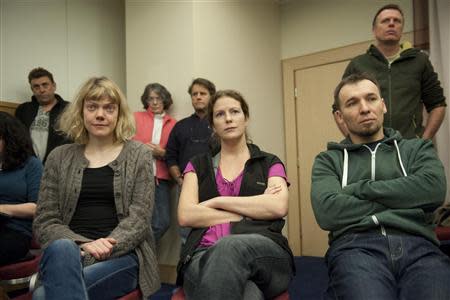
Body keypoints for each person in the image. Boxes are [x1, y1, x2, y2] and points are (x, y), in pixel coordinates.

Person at [312, 73, 450, 300]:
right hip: (356, 248)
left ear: (383, 105)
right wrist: (404, 199)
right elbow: (328, 212)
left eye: (371, 98)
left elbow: (433, 189)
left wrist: (359, 189)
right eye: (352, 103)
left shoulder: (416, 149)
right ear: (340, 116)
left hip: (420, 246)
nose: (365, 108)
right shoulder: (328, 160)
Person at [32, 77, 160, 300]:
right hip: (69, 254)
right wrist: (83, 245)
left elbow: (138, 220)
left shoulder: (139, 154)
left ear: (119, 114)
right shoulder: (58, 157)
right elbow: (45, 220)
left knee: (43, 296)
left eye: (109, 108)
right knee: (62, 248)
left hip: (123, 256)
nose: (100, 114)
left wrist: (99, 249)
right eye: (92, 107)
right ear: (81, 112)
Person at [176, 90, 294, 299]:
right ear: (212, 125)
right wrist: (250, 211)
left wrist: (216, 202)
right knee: (249, 294)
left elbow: (278, 207)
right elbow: (186, 215)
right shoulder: (197, 165)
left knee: (229, 245)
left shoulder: (269, 162)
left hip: (263, 249)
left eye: (235, 111)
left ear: (246, 118)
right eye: (220, 114)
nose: (228, 118)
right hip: (202, 254)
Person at [336, 4, 446, 139]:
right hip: (372, 146)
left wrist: (424, 141)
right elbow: (338, 107)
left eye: (397, 21)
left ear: (401, 29)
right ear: (374, 30)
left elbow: (438, 104)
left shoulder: (420, 61)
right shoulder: (358, 64)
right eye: (385, 21)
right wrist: (355, 141)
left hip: (410, 146)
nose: (392, 24)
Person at [165, 78, 216, 241]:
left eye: (203, 93)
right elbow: (170, 156)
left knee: (216, 228)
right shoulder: (181, 126)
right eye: (195, 94)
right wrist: (179, 180)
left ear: (211, 96)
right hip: (187, 185)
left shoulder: (219, 122)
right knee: (186, 233)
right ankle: (187, 266)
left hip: (215, 184)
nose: (198, 97)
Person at [133, 83, 176, 242]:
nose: (155, 102)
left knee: (162, 222)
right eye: (150, 99)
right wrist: (141, 149)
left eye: (158, 98)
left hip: (160, 180)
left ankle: (140, 255)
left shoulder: (173, 124)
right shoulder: (135, 117)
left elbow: (175, 153)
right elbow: (122, 144)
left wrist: (162, 153)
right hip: (136, 178)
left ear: (165, 100)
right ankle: (140, 261)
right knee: (135, 222)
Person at [0, 112, 43, 266]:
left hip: (15, 231)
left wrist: (2, 208)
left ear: (10, 139)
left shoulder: (31, 165)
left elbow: (37, 207)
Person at [15, 67, 70, 163]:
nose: (41, 90)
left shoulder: (69, 109)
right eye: (36, 86)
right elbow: (15, 138)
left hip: (59, 166)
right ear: (32, 89)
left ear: (54, 86)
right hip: (28, 166)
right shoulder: (23, 110)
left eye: (45, 85)